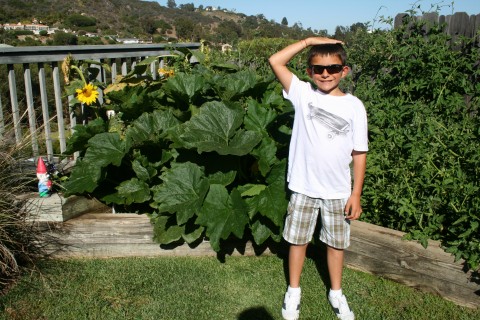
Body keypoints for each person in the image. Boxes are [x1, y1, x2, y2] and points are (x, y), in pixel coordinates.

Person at [268, 37, 368, 320]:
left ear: (344, 71)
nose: (326, 74)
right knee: (297, 241)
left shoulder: (354, 106)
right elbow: (276, 61)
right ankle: (294, 290)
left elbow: (359, 153)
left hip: (338, 191)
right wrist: (309, 41)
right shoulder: (302, 94)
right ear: (309, 72)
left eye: (333, 68)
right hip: (303, 187)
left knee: (336, 245)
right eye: (319, 69)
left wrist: (356, 194)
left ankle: (336, 292)